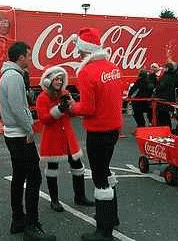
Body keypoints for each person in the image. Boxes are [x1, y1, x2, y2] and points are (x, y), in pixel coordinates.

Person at [0, 41, 56, 241]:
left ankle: (18, 220)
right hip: (19, 135)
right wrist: (28, 128)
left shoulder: (8, 74)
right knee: (34, 177)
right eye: (28, 56)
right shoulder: (14, 77)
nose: (30, 59)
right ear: (20, 57)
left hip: (12, 133)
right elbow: (17, 107)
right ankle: (31, 226)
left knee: (19, 175)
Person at [69, 27, 123, 241]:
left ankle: (104, 230)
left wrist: (73, 106)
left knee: (100, 178)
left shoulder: (86, 72)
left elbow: (88, 108)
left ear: (83, 50)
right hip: (113, 128)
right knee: (106, 172)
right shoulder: (112, 67)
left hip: (98, 131)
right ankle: (112, 216)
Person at [36, 65, 94, 213]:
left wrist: (71, 106)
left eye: (61, 79)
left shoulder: (65, 93)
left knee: (78, 166)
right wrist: (58, 110)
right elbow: (44, 120)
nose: (59, 82)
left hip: (68, 136)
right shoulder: (42, 97)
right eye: (56, 79)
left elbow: (73, 114)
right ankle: (54, 201)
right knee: (52, 169)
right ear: (48, 81)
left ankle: (80, 197)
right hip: (52, 138)